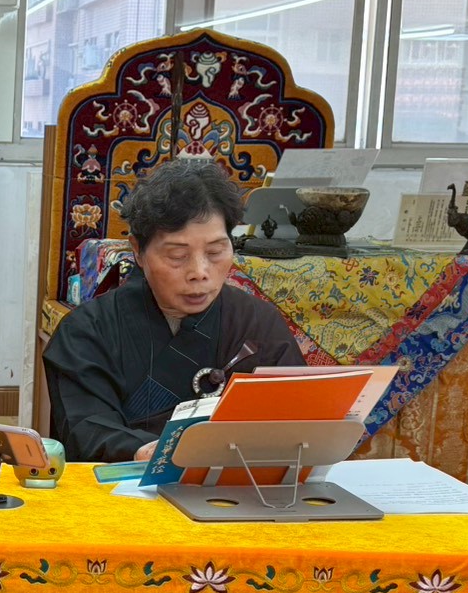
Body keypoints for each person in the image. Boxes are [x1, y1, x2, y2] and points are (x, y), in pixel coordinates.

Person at [43, 161, 304, 463]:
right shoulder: (86, 331)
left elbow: (298, 416)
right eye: (177, 255)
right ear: (138, 251)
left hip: (238, 484)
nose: (199, 272)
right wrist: (149, 452)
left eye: (215, 252)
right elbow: (85, 428)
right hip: (127, 486)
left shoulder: (257, 324)